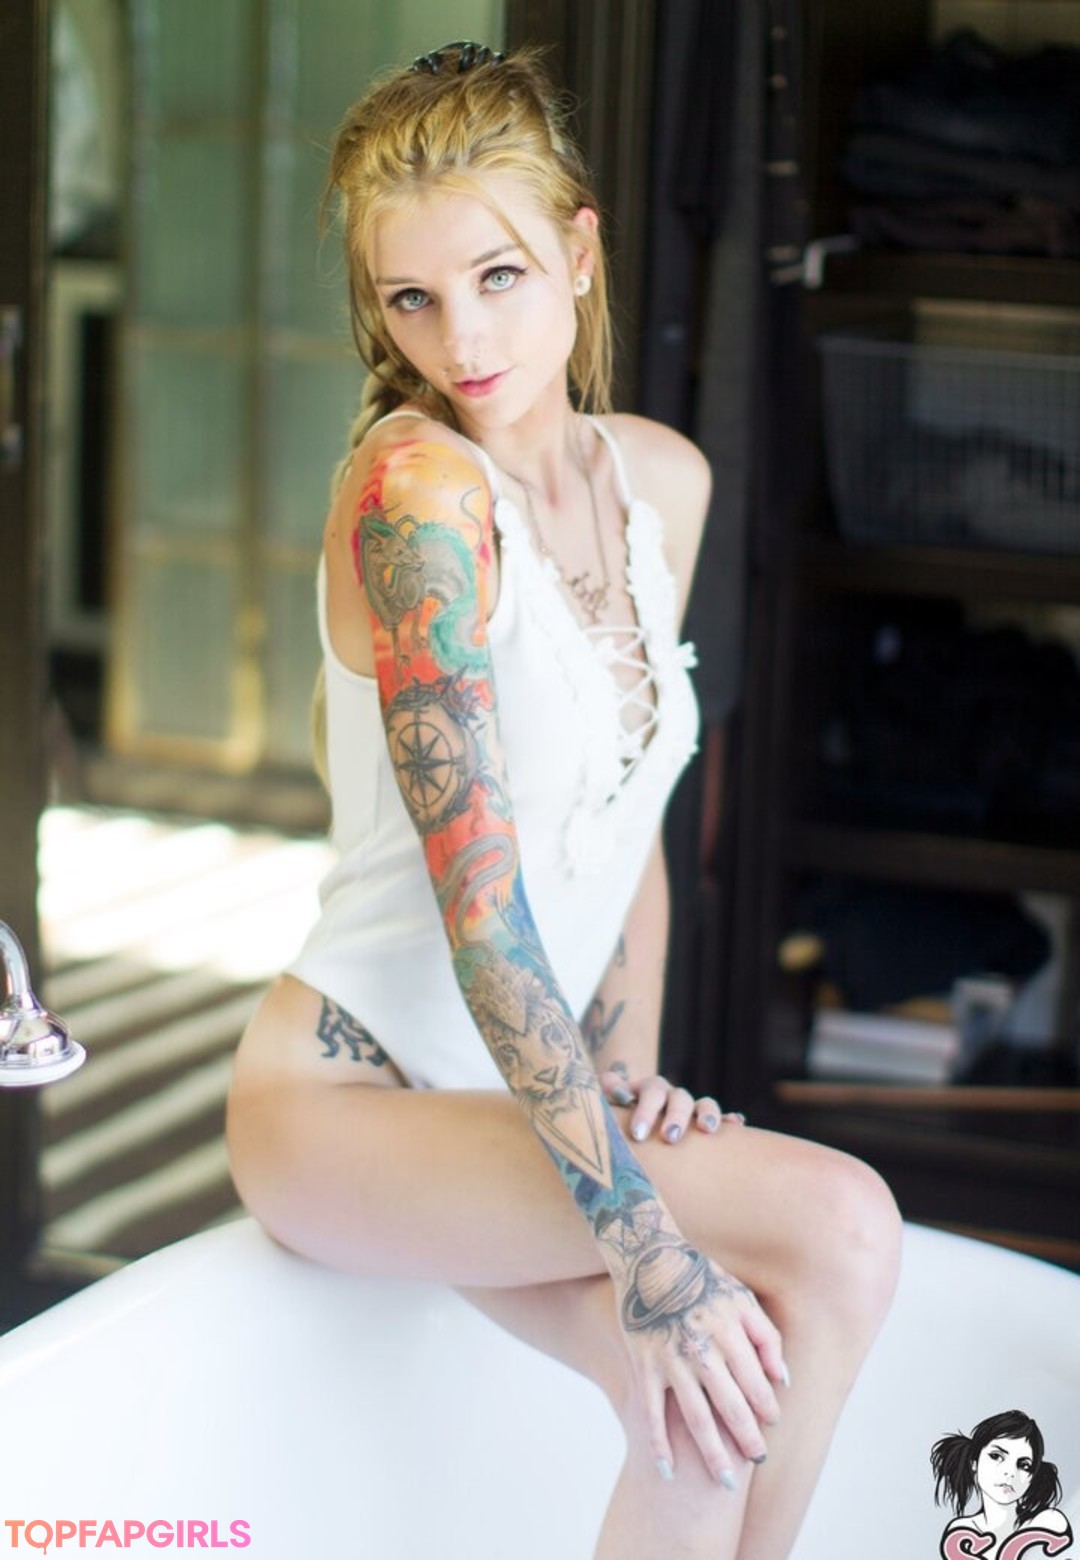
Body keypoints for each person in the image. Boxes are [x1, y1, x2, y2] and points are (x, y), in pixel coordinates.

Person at [225, 40, 902, 1559]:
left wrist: (629, 1076)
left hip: (518, 1108)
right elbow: (482, 906)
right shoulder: (416, 499)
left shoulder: (661, 481)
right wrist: (639, 1233)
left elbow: (627, 820)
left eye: (499, 277)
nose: (461, 338)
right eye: (413, 298)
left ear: (580, 254)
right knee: (837, 1227)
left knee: (715, 1394)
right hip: (352, 1108)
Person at [933, 1410, 1073, 1558]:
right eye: (996, 1456)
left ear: (1032, 1476)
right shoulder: (961, 1533)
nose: (1010, 1472)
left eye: (1024, 1465)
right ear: (974, 1462)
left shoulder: (1048, 1522)